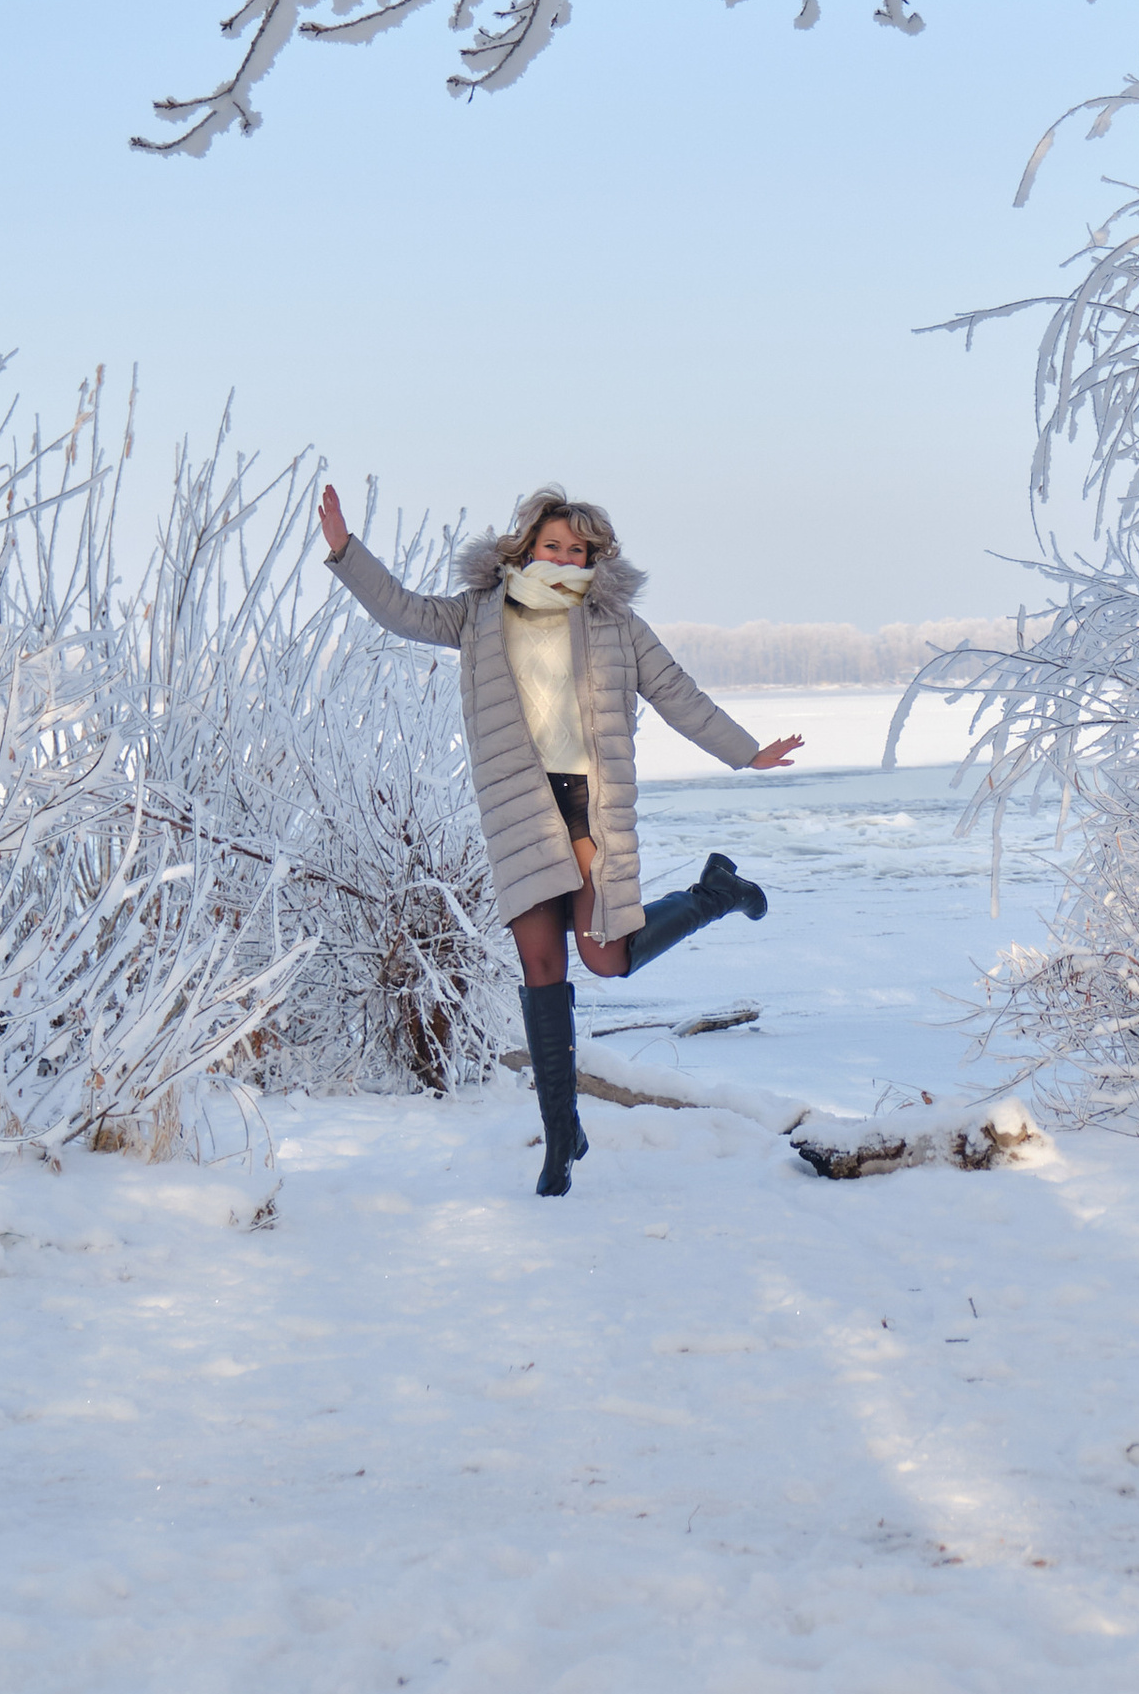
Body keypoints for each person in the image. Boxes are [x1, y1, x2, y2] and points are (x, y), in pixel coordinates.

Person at [316, 480, 802, 1196]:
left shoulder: (615, 624)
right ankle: (561, 1136)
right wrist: (345, 553)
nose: (565, 557)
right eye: (554, 544)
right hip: (519, 809)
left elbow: (677, 693)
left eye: (578, 549)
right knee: (542, 968)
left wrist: (745, 749)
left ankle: (712, 894)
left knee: (605, 959)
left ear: (594, 558)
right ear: (527, 545)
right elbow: (405, 613)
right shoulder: (482, 613)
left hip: (589, 812)